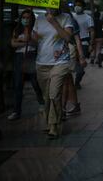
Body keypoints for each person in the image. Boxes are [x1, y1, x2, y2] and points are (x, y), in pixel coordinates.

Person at [33, 7, 73, 139]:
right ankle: (53, 120)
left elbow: (67, 37)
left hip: (60, 62)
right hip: (42, 63)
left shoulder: (65, 17)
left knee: (54, 94)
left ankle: (54, 126)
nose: (51, 7)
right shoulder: (39, 19)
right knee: (46, 96)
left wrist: (54, 22)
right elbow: (35, 38)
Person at [8, 9, 44, 120]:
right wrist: (23, 42)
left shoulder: (35, 29)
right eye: (23, 17)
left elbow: (36, 42)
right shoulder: (17, 29)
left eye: (28, 17)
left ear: (32, 19)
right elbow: (13, 43)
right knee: (18, 84)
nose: (25, 20)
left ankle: (42, 103)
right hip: (19, 57)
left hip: (31, 55)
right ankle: (16, 111)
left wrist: (27, 35)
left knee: (35, 82)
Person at [61, 5, 86, 118]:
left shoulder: (70, 20)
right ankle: (73, 105)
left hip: (67, 54)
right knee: (68, 80)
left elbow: (77, 40)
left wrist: (81, 57)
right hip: (59, 54)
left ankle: (62, 107)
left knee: (65, 79)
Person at [72, 0, 94, 89]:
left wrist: (91, 44)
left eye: (79, 5)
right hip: (72, 44)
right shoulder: (71, 16)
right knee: (74, 65)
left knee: (80, 67)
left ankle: (77, 82)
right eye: (76, 5)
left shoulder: (88, 18)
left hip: (83, 43)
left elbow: (92, 31)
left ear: (83, 7)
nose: (77, 7)